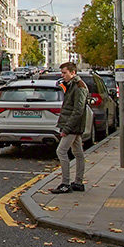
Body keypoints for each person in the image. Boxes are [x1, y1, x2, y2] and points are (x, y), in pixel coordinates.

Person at [50, 62, 87, 194]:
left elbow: (78, 110)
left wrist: (66, 128)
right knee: (78, 153)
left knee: (61, 151)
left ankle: (65, 183)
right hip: (73, 125)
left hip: (72, 126)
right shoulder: (72, 85)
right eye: (62, 73)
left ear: (73, 72)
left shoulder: (79, 87)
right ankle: (78, 182)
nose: (62, 75)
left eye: (65, 73)